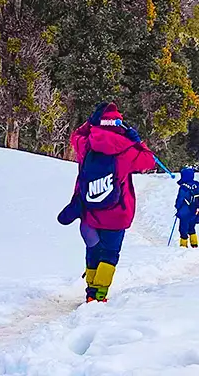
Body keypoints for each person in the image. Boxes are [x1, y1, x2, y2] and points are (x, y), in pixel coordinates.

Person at [57, 102, 157, 303]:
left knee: (93, 250)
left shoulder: (85, 144)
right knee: (110, 255)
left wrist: (90, 124)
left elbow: (74, 136)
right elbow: (149, 161)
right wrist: (136, 141)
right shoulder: (127, 150)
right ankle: (100, 294)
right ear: (119, 124)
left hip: (89, 212)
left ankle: (90, 294)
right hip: (117, 214)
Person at [175, 167, 199, 248]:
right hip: (196, 210)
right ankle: (194, 244)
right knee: (191, 227)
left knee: (183, 229)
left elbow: (180, 198)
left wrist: (177, 206)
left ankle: (183, 246)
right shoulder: (197, 184)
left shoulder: (184, 187)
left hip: (186, 211)